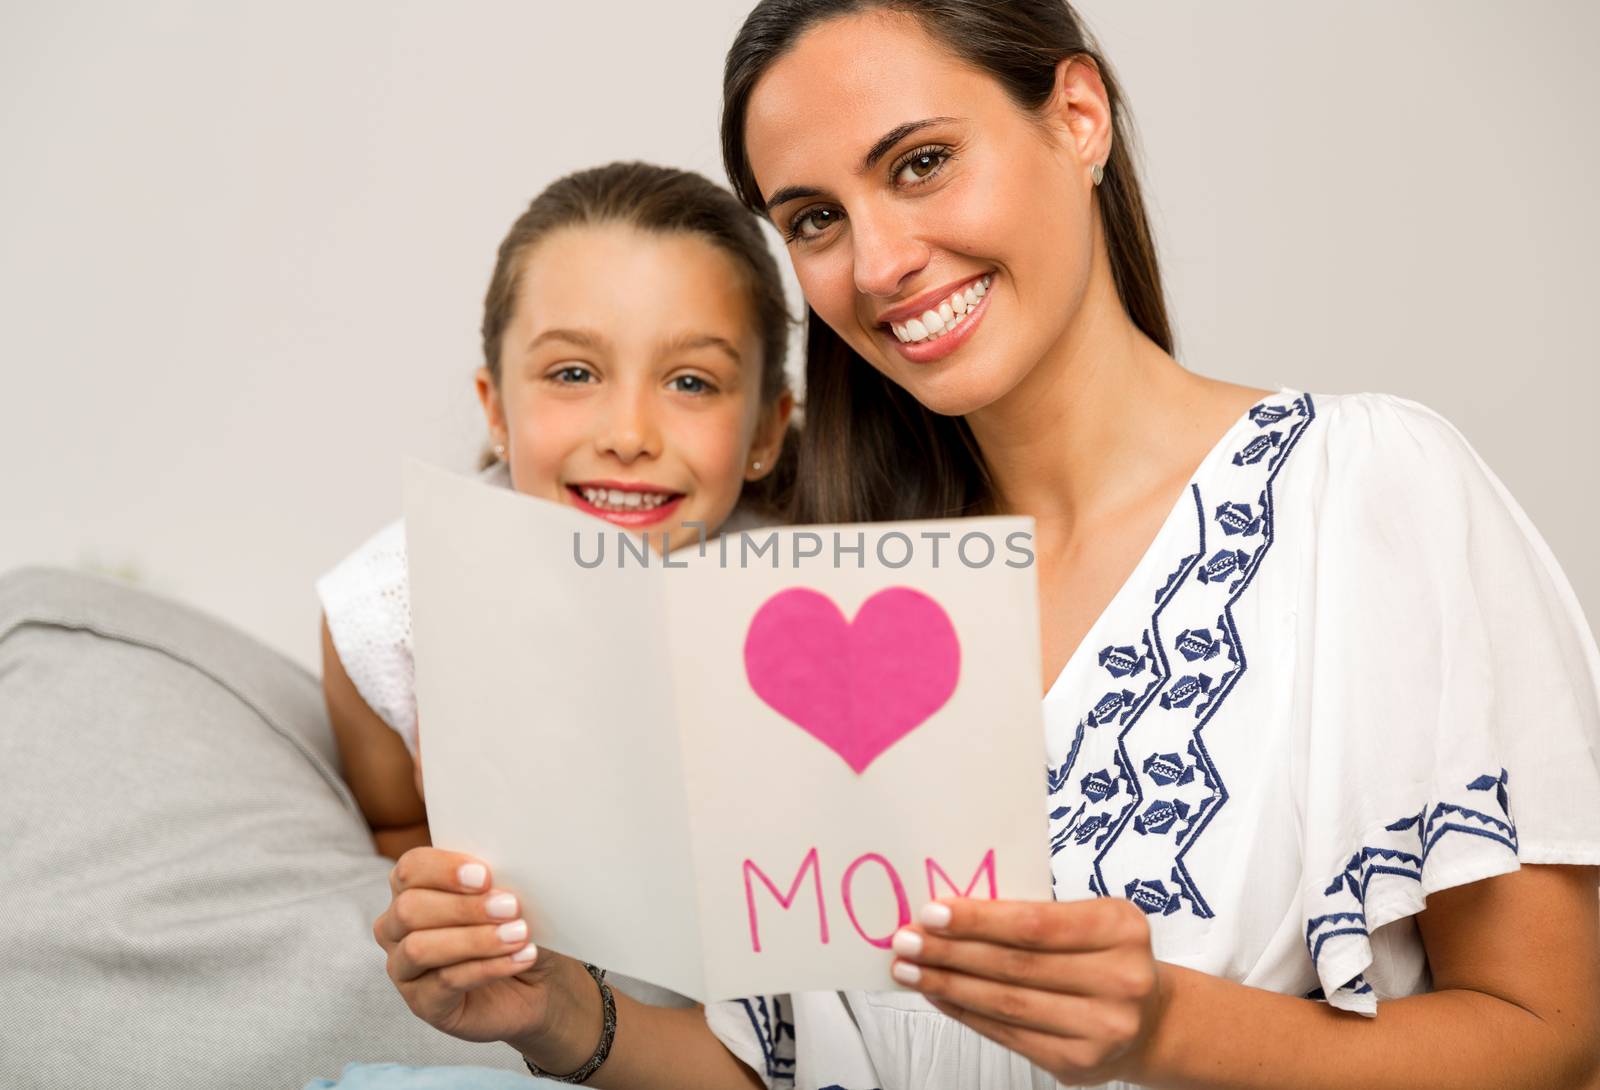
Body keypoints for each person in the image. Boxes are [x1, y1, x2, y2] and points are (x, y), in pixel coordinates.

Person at [373, 3, 1600, 1088]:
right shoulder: (823, 598)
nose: (879, 265)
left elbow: (1554, 1039)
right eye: (813, 219)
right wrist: (553, 1016)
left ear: (1076, 116)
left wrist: (1164, 1024)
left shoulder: (1367, 489)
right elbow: (812, 1067)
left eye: (920, 163)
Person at [318, 162, 795, 860]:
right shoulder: (393, 613)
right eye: (573, 374)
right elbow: (396, 832)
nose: (629, 437)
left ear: (764, 431)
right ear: (496, 408)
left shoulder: (815, 586)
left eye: (691, 382)